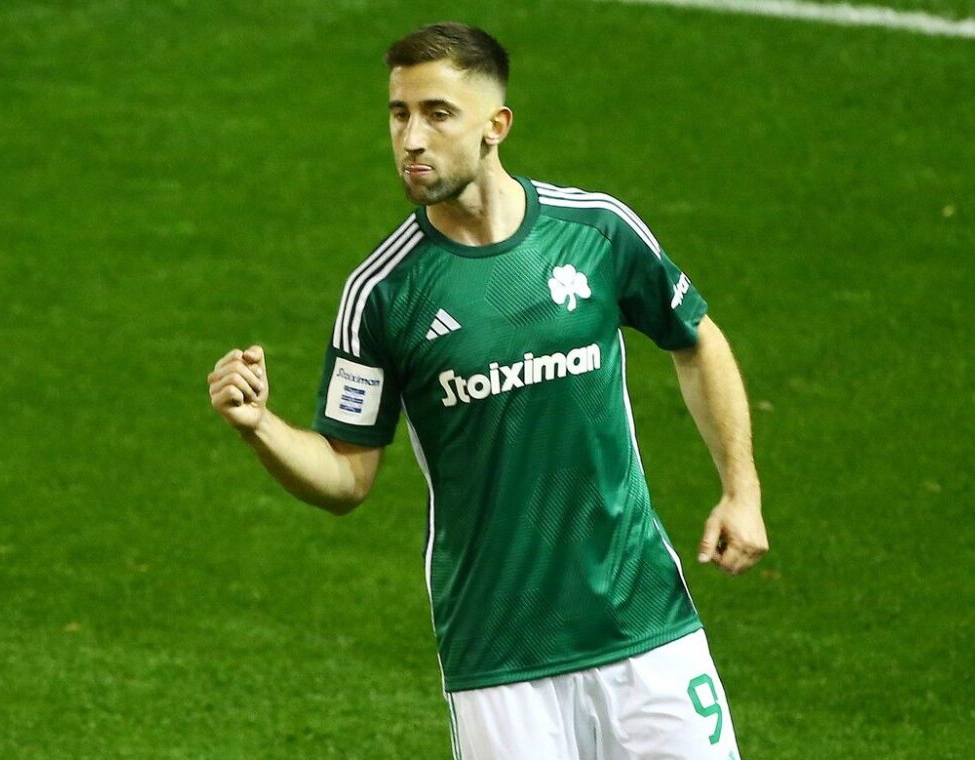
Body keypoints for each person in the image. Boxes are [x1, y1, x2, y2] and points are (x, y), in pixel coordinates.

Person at [207, 21, 768, 760]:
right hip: (499, 658)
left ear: (495, 126)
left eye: (437, 114)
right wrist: (260, 426)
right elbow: (346, 477)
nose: (411, 139)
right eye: (399, 114)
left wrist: (741, 490)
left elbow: (695, 338)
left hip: (645, 624)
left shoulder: (594, 232)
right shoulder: (382, 294)